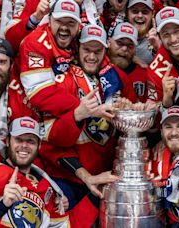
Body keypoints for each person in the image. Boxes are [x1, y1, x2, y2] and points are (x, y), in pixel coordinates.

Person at [37, 24, 134, 209]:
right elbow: (49, 140)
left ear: (106, 49)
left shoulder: (119, 78)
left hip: (105, 177)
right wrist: (77, 115)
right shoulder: (60, 80)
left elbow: (129, 126)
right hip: (66, 177)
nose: (91, 57)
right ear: (77, 47)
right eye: (86, 50)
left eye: (97, 51)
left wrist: (131, 109)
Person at [0, 117, 100, 227]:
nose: (24, 146)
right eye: (19, 139)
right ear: (8, 141)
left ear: (39, 145)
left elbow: (65, 225)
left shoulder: (45, 187)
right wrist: (2, 206)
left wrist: (95, 195)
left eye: (30, 141)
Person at [15, 0, 82, 119]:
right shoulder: (35, 43)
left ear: (78, 26)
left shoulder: (80, 39)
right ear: (49, 20)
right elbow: (39, 93)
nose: (64, 27)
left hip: (61, 109)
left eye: (71, 23)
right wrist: (82, 108)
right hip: (26, 108)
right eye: (59, 21)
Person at [108, 22, 148, 102]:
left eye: (130, 45)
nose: (124, 49)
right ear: (109, 42)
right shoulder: (96, 69)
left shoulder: (144, 75)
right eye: (119, 43)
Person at [126, 0, 158, 65]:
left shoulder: (160, 38)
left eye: (145, 12)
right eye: (135, 11)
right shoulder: (116, 36)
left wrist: (158, 49)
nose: (140, 15)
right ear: (127, 13)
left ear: (152, 14)